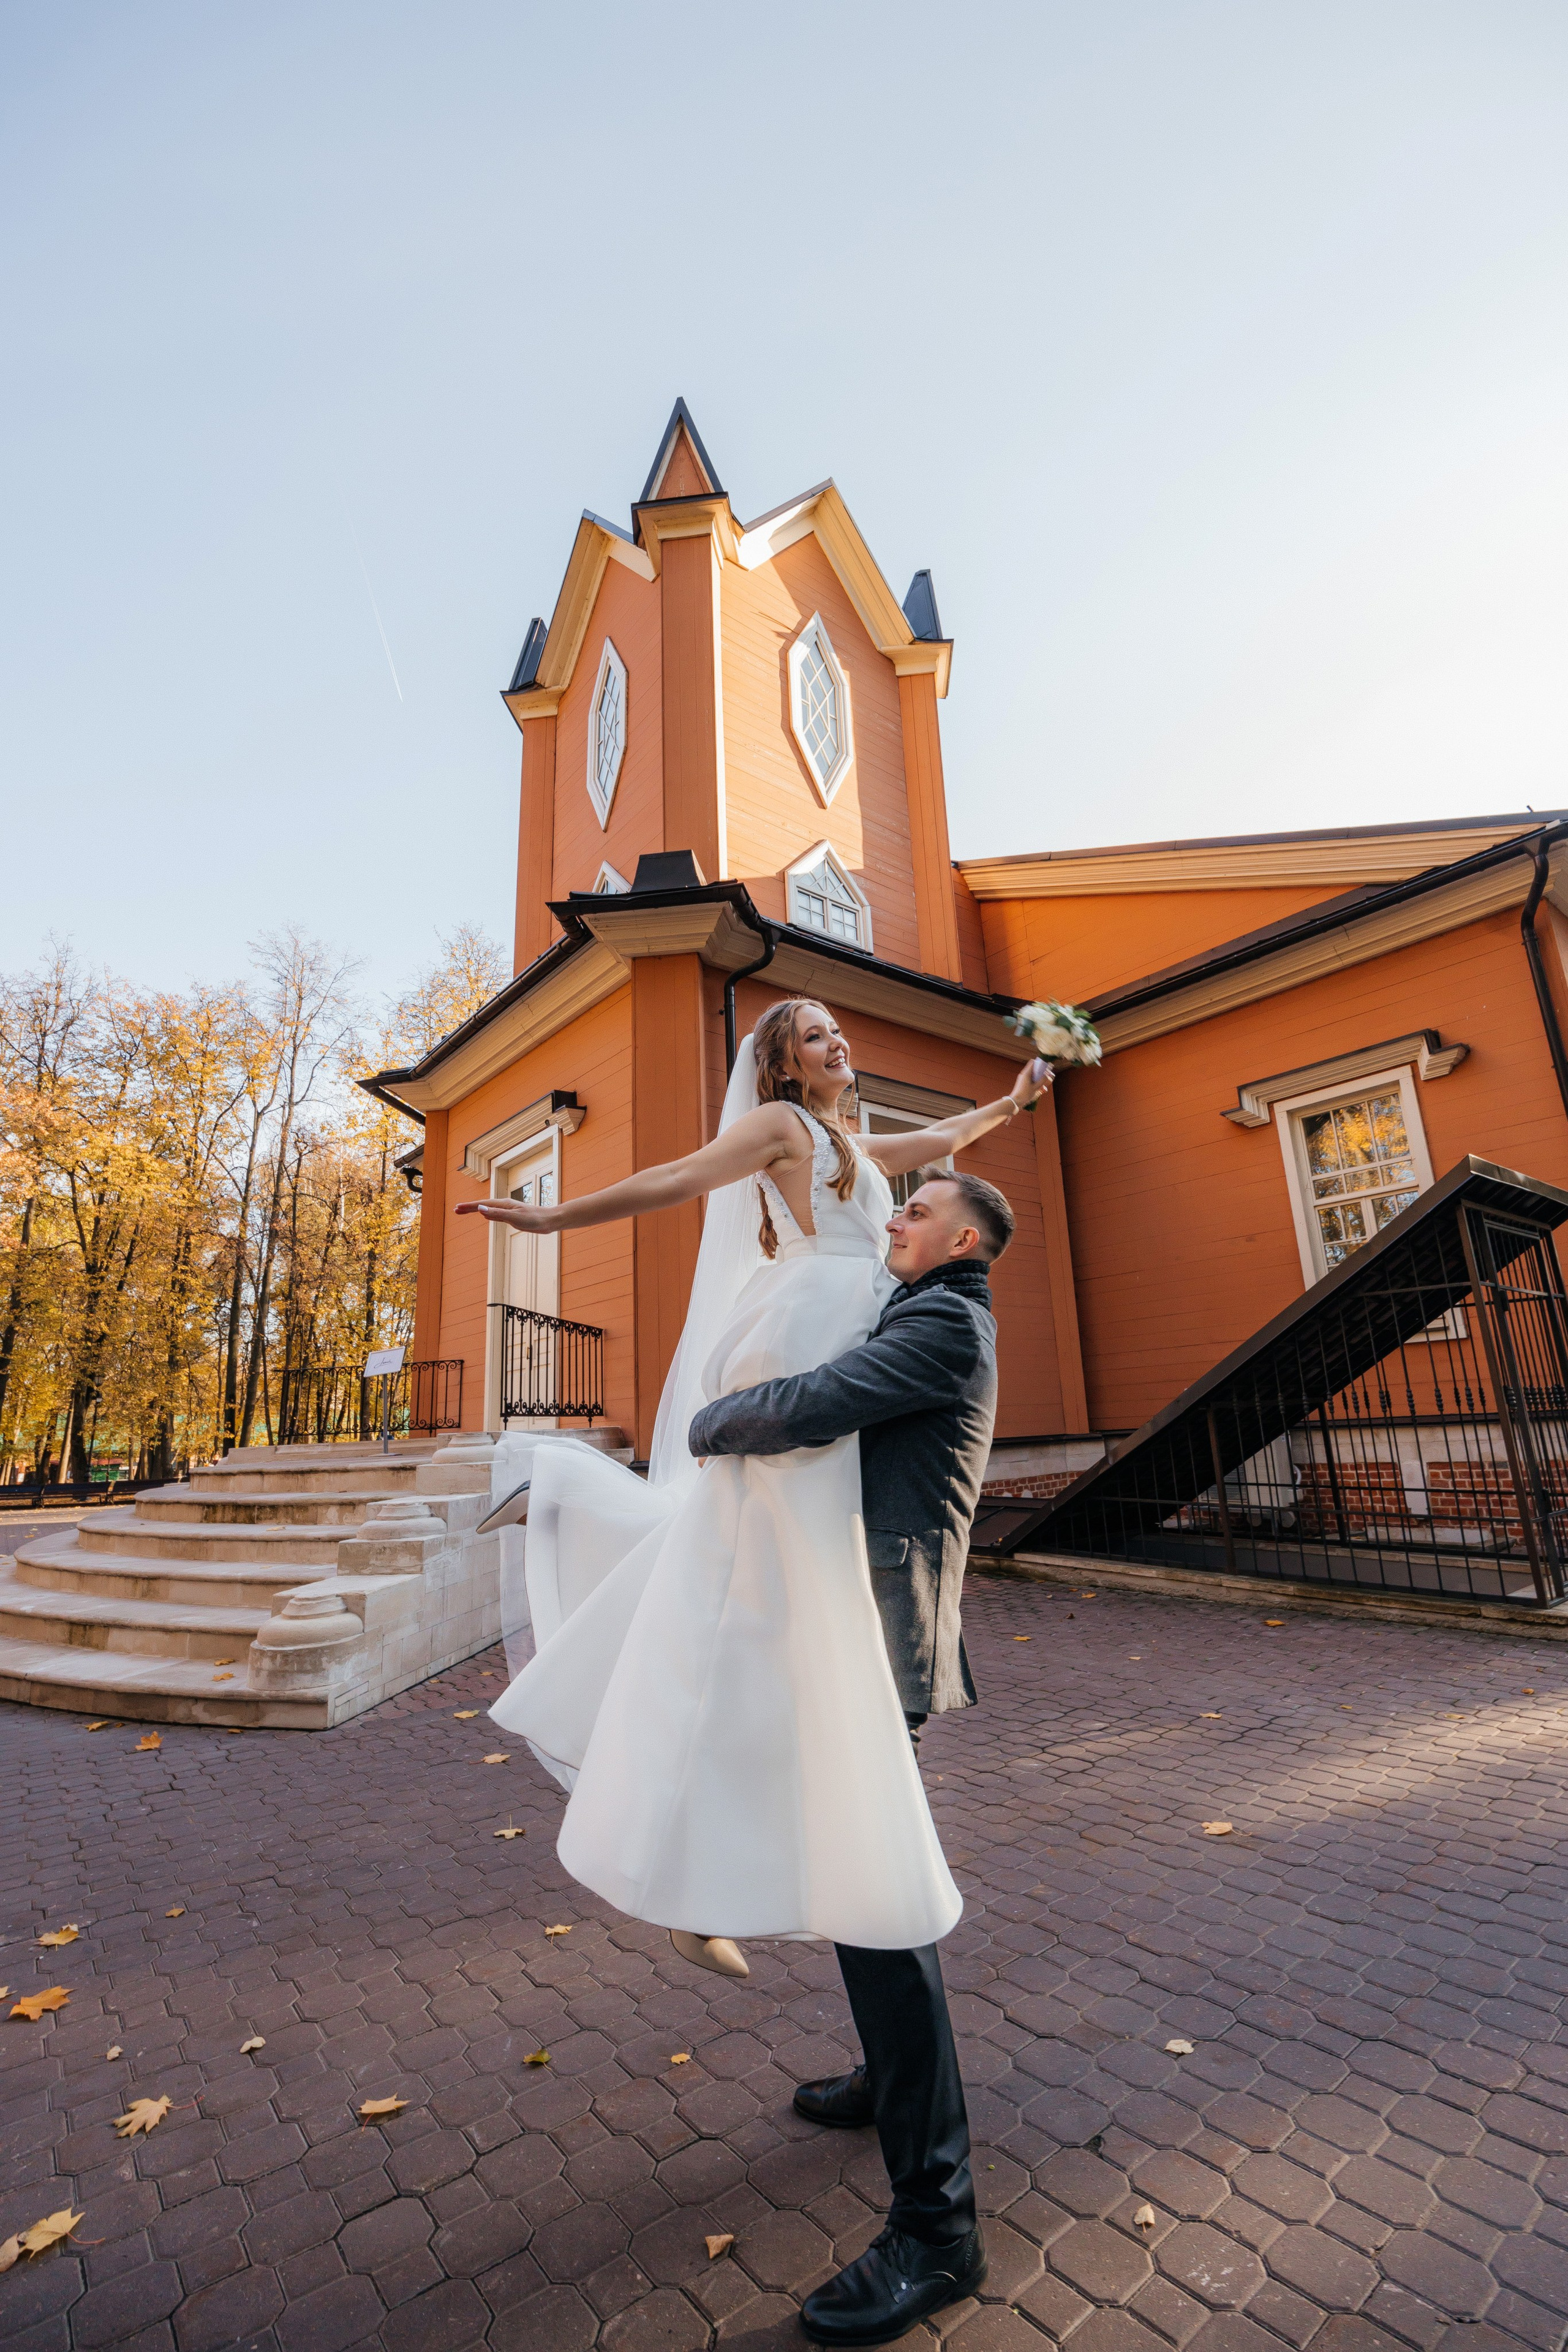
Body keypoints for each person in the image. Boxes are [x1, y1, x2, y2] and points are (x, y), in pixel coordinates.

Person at [456, 999, 1046, 1982]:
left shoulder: (852, 1144)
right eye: (815, 1036)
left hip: (856, 1321)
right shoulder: (782, 1127)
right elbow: (678, 1176)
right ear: (782, 1064)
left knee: (762, 1595)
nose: (837, 1042)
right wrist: (554, 1216)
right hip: (811, 1325)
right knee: (750, 1582)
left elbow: (945, 1136)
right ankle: (567, 1497)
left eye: (839, 1031)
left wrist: (1013, 1102)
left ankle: (712, 1866)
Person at [688, 1166, 1012, 2348]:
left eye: (917, 1210)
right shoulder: (914, 1306)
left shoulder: (947, 1322)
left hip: (878, 1638)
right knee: (856, 1881)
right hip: (853, 1628)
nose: (897, 1218)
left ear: (964, 1238)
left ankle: (939, 2230)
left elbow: (821, 1402)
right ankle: (888, 2082)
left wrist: (707, 1423)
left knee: (880, 1906)